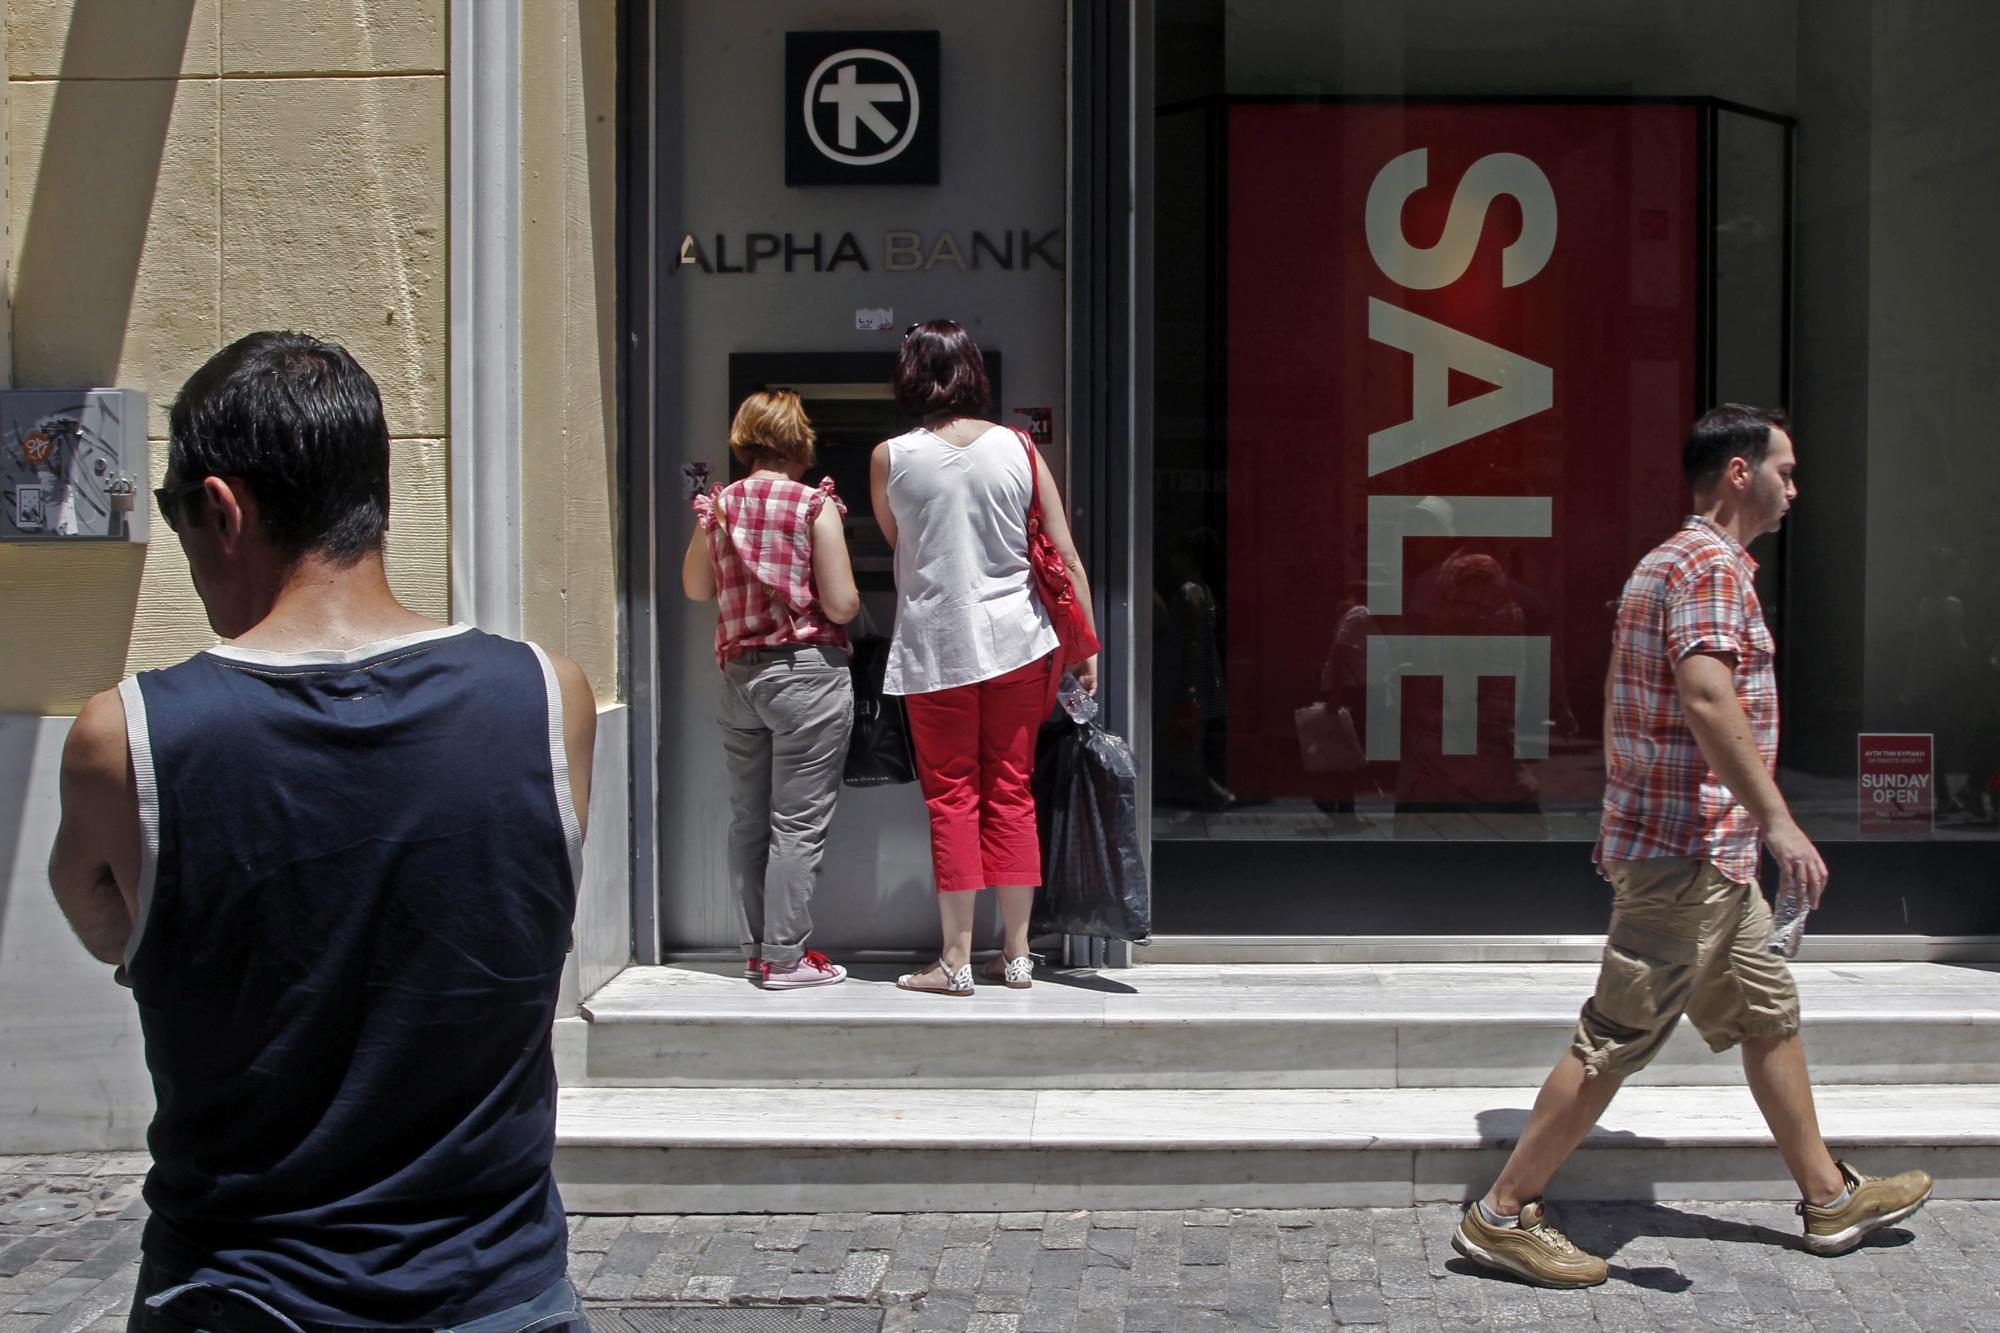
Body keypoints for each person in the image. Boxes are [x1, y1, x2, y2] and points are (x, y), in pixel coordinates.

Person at [46, 331, 598, 1331]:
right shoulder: (545, 700)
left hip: (240, 1293)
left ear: (220, 508)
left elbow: (105, 919)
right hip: (494, 1290)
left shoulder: (124, 740)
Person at [1452, 404, 1933, 1288]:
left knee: (1763, 1010)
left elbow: (1615, 696)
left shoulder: (1661, 566)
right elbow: (1709, 697)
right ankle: (1500, 1215)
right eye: (1786, 471)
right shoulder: (1709, 567)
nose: (1797, 489)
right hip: (1687, 852)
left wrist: (1622, 814)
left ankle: (1827, 1196)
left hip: (1706, 853)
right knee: (1616, 1034)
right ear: (1741, 473)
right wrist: (1783, 821)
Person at [872, 319, 1098, 995]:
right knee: (1011, 791)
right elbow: (1065, 550)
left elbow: (895, 541)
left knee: (952, 799)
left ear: (913, 374)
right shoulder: (1020, 449)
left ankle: (956, 959)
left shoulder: (891, 457)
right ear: (972, 370)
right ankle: (1020, 955)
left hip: (938, 648)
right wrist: (1085, 642)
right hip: (1021, 645)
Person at [683, 389, 860, 988]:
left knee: (748, 822)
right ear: (797, 442)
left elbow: (696, 589)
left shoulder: (721, 506)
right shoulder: (815, 505)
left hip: (741, 680)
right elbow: (840, 601)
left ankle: (759, 950)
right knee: (797, 824)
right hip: (805, 675)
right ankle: (785, 959)